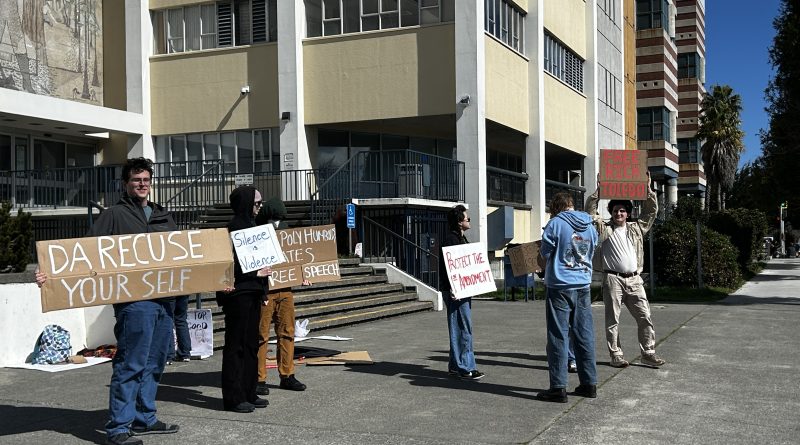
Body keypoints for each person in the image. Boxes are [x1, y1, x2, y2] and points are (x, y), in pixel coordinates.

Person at [36, 157, 180, 445]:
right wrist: (50, 274)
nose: (142, 185)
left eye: (146, 180)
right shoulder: (114, 215)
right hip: (134, 302)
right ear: (126, 184)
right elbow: (85, 253)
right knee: (131, 363)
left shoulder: (163, 215)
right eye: (136, 180)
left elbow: (184, 254)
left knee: (155, 362)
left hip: (165, 300)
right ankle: (118, 427)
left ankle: (144, 418)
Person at [585, 172, 665, 369]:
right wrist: (599, 191)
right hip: (613, 280)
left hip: (635, 280)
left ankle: (648, 353)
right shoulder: (603, 228)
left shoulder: (637, 228)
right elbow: (590, 211)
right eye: (615, 211)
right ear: (611, 212)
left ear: (627, 213)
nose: (618, 214)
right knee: (613, 320)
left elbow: (651, 212)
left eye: (622, 211)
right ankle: (616, 355)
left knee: (644, 316)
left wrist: (648, 190)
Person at [536, 192, 598, 403]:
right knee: (584, 334)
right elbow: (592, 250)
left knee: (558, 336)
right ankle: (589, 383)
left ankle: (558, 387)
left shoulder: (555, 224)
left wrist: (542, 268)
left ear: (555, 207)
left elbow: (544, 255)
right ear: (572, 205)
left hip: (560, 286)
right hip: (583, 284)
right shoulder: (590, 224)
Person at [217, 186, 270, 413]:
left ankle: (249, 391)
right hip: (238, 294)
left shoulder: (254, 228)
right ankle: (234, 397)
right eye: (256, 203)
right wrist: (253, 274)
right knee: (236, 346)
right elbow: (226, 266)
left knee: (250, 345)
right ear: (246, 203)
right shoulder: (231, 230)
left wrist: (264, 290)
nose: (259, 207)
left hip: (254, 293)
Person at [254, 196, 307, 395]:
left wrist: (303, 274)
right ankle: (259, 378)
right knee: (261, 335)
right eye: (275, 218)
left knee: (287, 332)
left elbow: (296, 255)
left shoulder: (286, 230)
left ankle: (287, 375)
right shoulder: (256, 231)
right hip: (265, 289)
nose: (277, 222)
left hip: (285, 288)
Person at [439, 204, 484, 381]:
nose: (469, 221)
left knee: (459, 327)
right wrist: (452, 287)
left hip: (460, 289)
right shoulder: (452, 239)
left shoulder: (459, 238)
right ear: (459, 222)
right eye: (467, 218)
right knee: (462, 328)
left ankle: (454, 366)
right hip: (456, 290)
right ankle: (465, 367)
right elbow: (450, 268)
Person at [166, 295, 191, 364]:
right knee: (181, 320)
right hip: (183, 290)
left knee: (168, 320)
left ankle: (168, 355)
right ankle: (185, 354)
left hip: (169, 291)